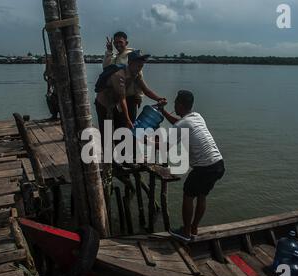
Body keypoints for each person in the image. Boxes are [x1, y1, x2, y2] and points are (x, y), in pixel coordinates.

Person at [159, 90, 225, 242]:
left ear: (180, 105)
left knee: (188, 195)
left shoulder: (182, 124)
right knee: (202, 195)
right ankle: (194, 228)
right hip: (218, 164)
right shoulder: (196, 117)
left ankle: (186, 232)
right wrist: (163, 112)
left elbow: (165, 147)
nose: (174, 104)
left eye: (175, 102)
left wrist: (143, 141)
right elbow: (178, 123)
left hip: (204, 167)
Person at [95, 50, 167, 139]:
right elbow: (122, 98)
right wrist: (127, 119)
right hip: (104, 104)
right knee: (107, 133)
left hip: (115, 103)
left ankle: (119, 150)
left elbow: (146, 90)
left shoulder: (136, 74)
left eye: (141, 66)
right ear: (130, 63)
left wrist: (159, 99)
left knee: (119, 131)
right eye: (137, 65)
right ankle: (107, 151)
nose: (139, 68)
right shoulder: (119, 75)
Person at [102, 32, 143, 122]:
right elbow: (106, 68)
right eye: (116, 43)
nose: (118, 45)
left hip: (130, 98)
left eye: (120, 42)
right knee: (119, 125)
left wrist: (139, 95)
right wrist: (109, 51)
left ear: (126, 43)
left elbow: (139, 77)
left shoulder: (131, 56)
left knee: (128, 125)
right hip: (117, 98)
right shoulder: (116, 57)